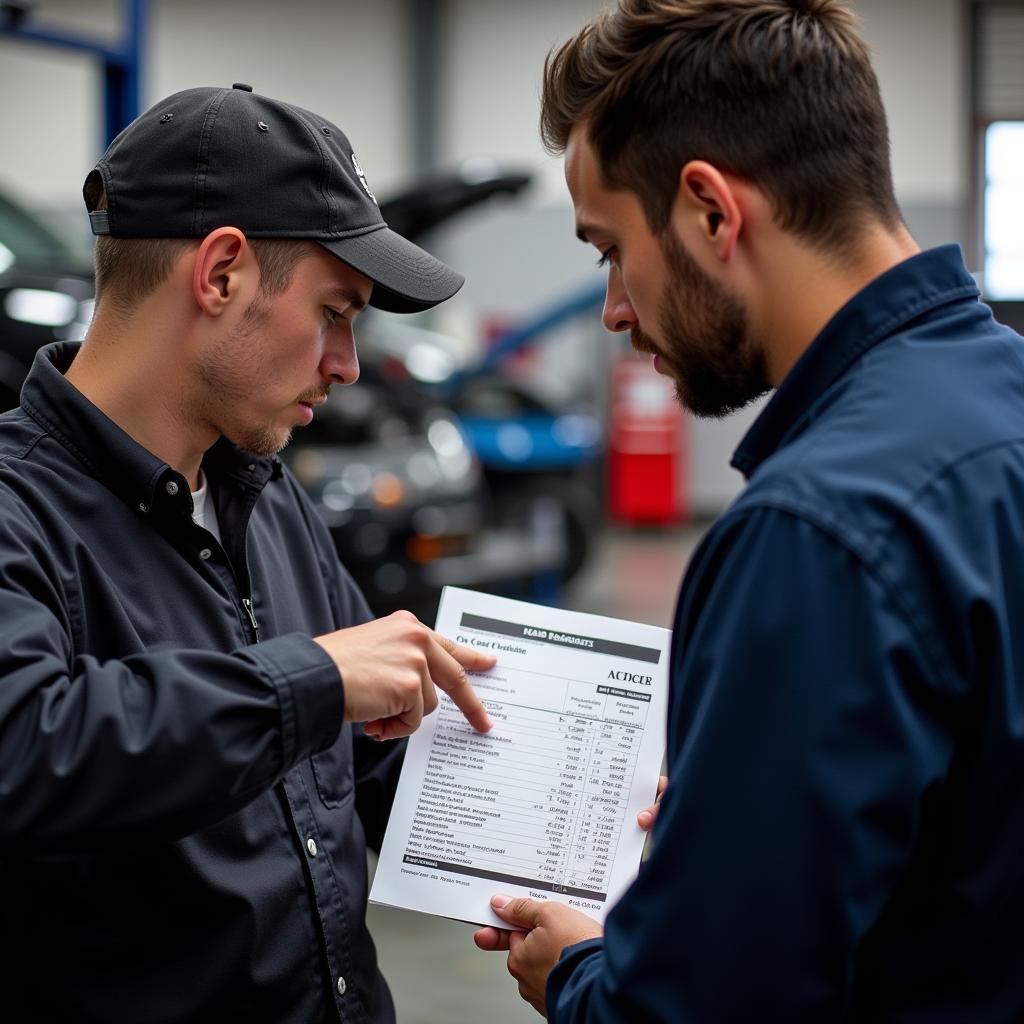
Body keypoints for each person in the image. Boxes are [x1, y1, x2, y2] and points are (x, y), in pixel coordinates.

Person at [474, 1, 1024, 1020]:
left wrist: (584, 972)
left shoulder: (816, 532)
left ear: (710, 212)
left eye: (608, 250)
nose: (614, 309)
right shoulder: (1003, 401)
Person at [0, 83, 500, 1022]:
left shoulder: (267, 501)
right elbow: (24, 745)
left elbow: (365, 751)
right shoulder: (16, 510)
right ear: (221, 271)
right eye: (336, 311)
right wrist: (305, 681)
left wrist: (566, 814)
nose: (348, 364)